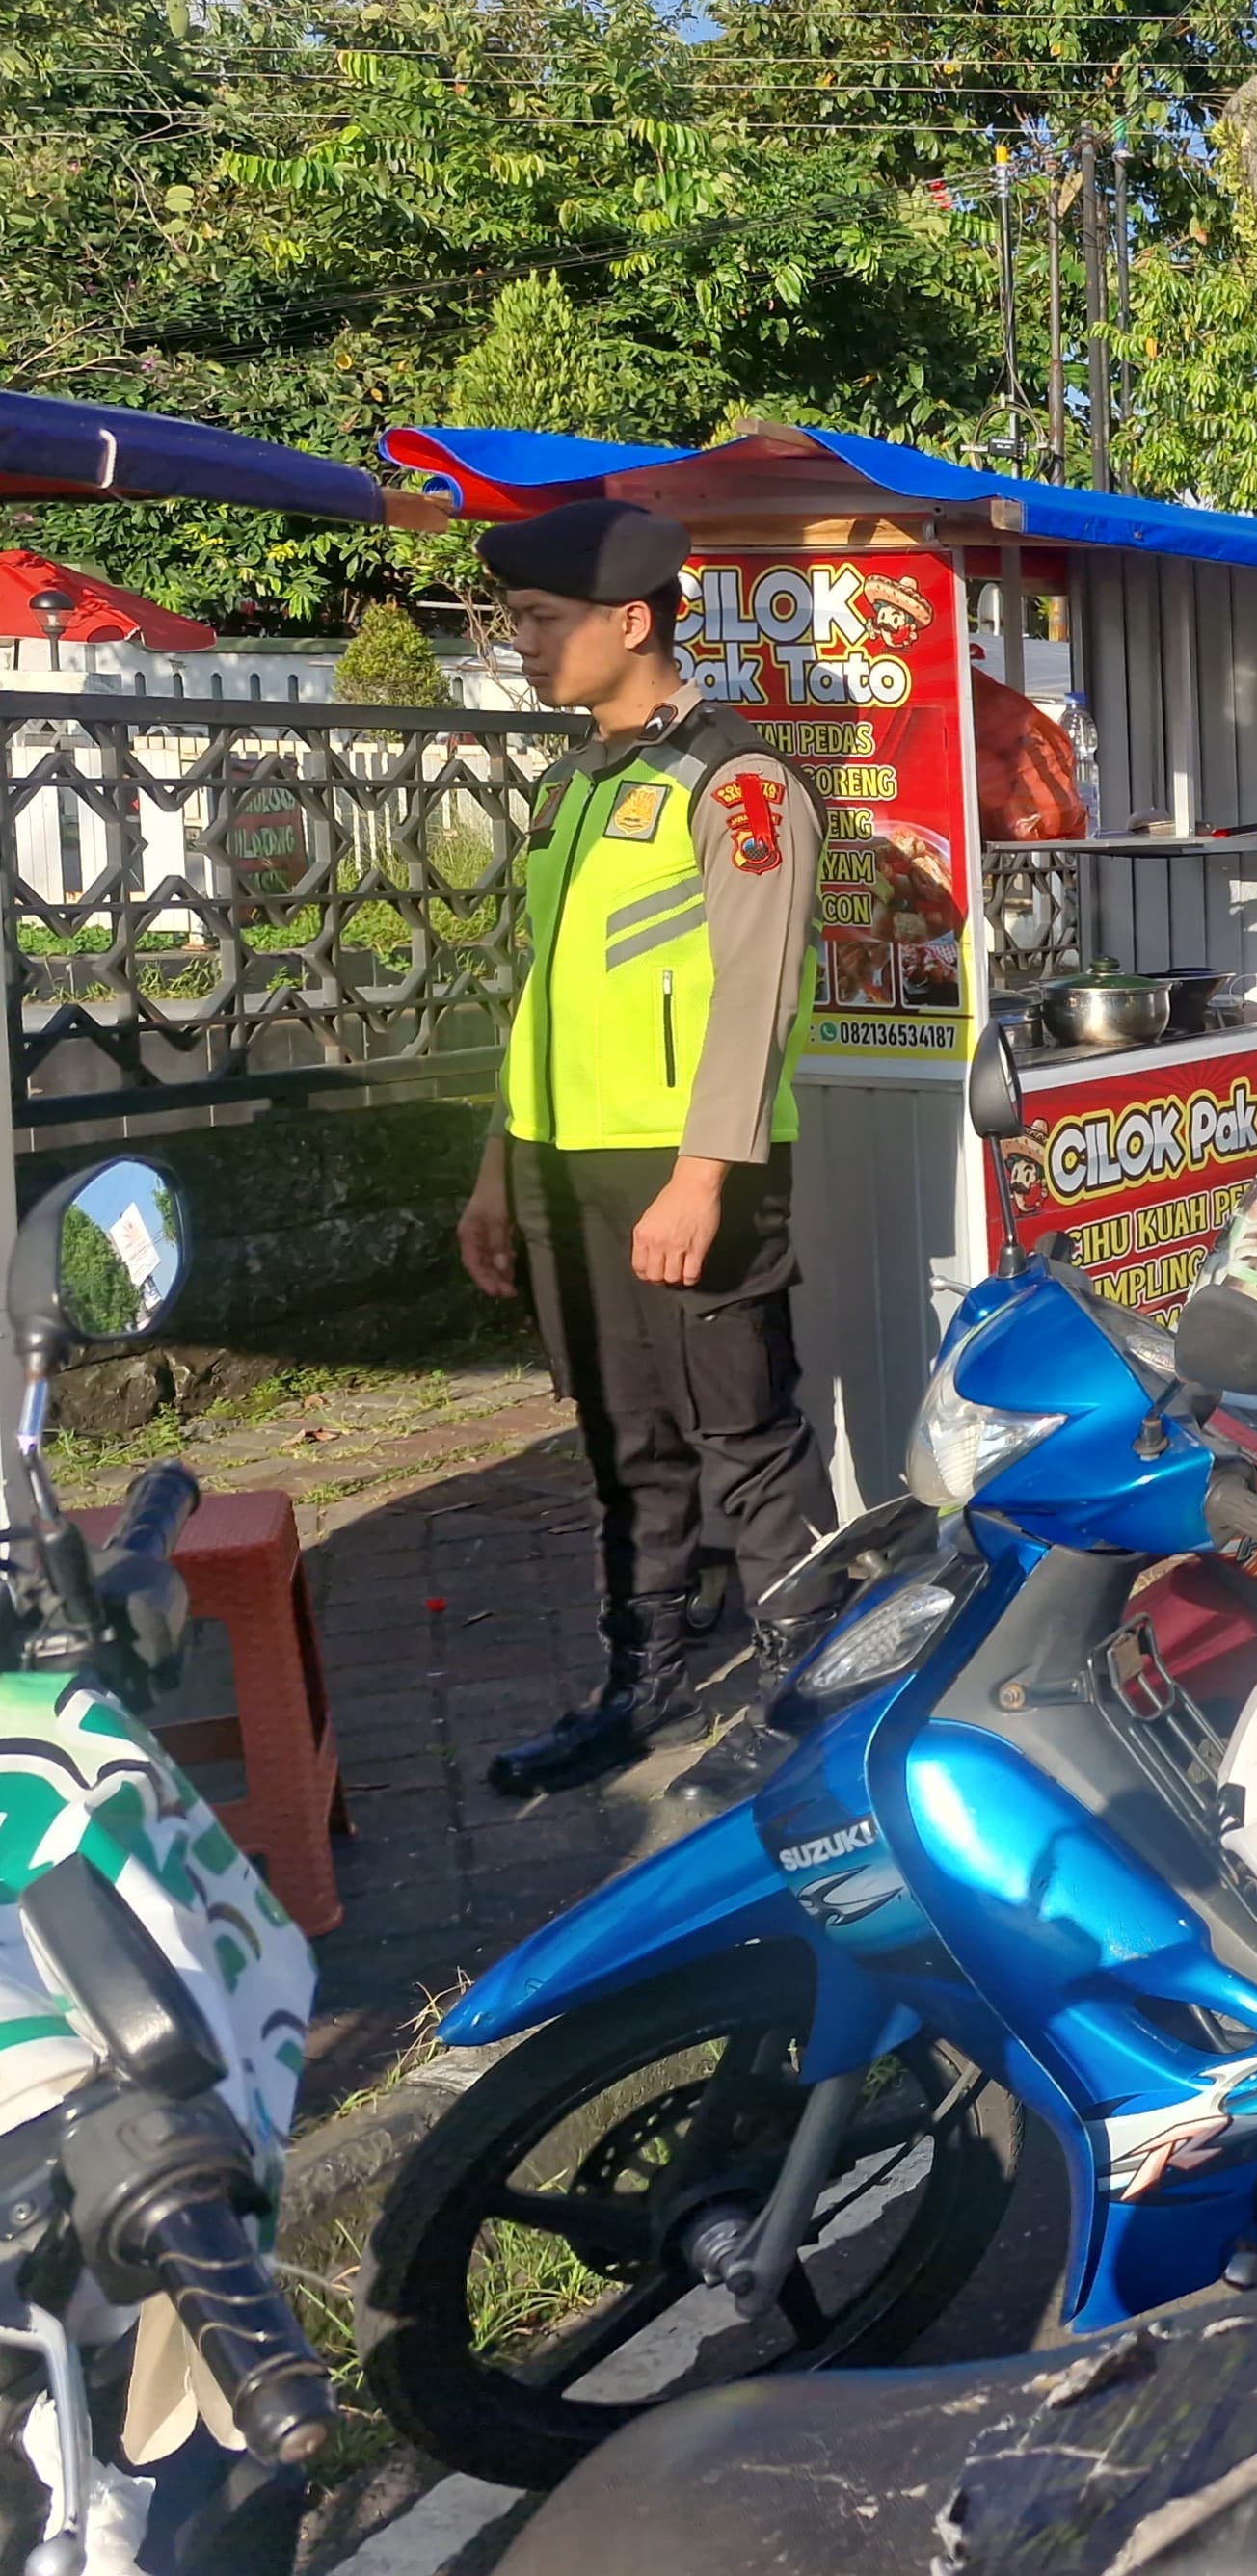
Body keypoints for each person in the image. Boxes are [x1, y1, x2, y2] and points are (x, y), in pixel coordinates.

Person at [455, 499, 832, 1797]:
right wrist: (501, 1170)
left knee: (745, 1439)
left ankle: (815, 1707)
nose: (519, 643)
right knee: (626, 1443)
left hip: (691, 1172)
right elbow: (543, 998)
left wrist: (701, 1173)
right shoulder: (578, 784)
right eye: (515, 621)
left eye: (539, 621)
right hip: (570, 1169)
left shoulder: (737, 784)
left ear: (631, 622)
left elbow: (756, 993)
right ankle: (645, 1682)